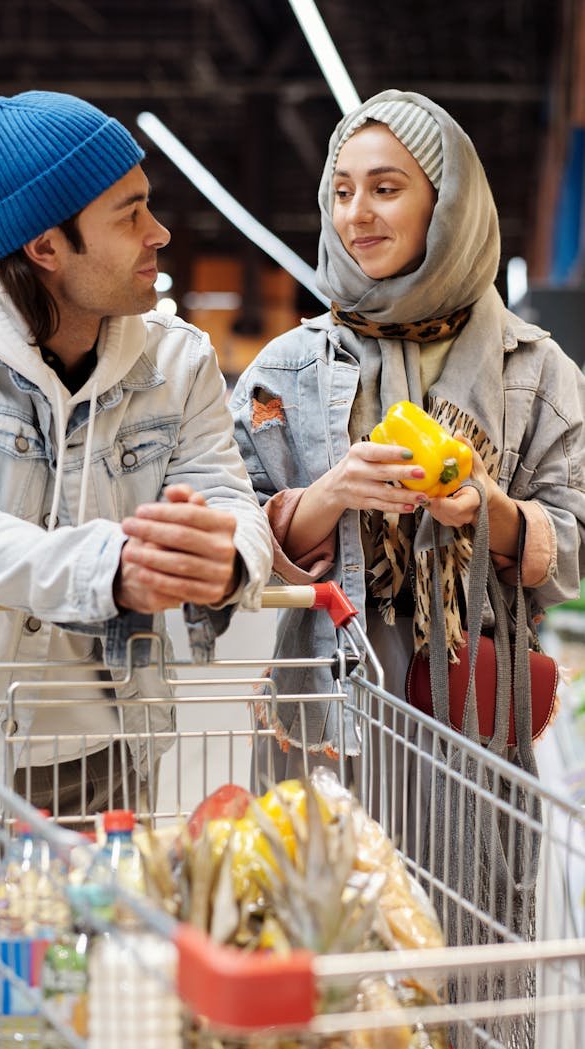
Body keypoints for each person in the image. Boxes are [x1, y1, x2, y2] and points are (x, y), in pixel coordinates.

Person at [0, 91, 273, 850]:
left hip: (116, 752)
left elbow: (234, 499)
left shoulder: (178, 358)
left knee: (107, 968)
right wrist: (113, 567)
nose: (158, 233)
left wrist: (224, 555)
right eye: (129, 215)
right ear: (46, 247)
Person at [230, 88, 585, 788]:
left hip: (476, 714)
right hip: (326, 700)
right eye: (341, 190)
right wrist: (329, 495)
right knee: (323, 891)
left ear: (446, 203)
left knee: (461, 896)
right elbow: (235, 533)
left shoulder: (538, 370)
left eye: (385, 188)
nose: (357, 213)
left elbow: (576, 539)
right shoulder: (284, 370)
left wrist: (495, 512)